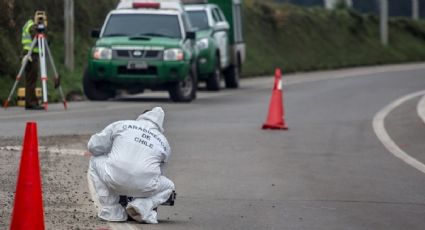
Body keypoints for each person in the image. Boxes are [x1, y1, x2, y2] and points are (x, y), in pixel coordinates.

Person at [87, 107, 175, 224]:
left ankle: (111, 210)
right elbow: (160, 172)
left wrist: (109, 153)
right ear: (160, 125)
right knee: (169, 186)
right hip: (144, 187)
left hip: (114, 178)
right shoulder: (164, 143)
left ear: (141, 116)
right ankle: (141, 206)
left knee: (95, 160)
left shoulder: (123, 125)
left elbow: (93, 146)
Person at [21, 13, 43, 110]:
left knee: (30, 80)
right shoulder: (31, 26)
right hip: (31, 55)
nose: (40, 19)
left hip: (28, 53)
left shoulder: (28, 23)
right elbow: (36, 38)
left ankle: (31, 102)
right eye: (39, 17)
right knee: (31, 80)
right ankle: (31, 103)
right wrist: (40, 32)